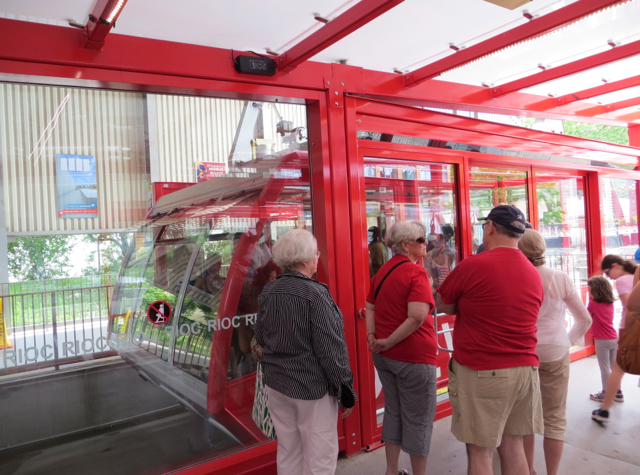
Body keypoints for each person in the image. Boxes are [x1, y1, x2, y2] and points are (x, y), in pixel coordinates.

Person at [436, 205, 544, 475]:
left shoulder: (474, 264)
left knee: (480, 452)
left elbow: (444, 304)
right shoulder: (532, 272)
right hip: (525, 370)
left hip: (483, 370)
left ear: (491, 227)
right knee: (513, 447)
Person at [254, 229, 356, 475]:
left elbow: (260, 336)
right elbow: (331, 350)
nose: (318, 258)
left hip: (277, 385)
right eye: (316, 253)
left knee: (289, 450)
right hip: (312, 388)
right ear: (305, 259)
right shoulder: (316, 294)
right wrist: (345, 389)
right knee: (320, 457)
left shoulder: (269, 291)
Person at [366, 220, 437, 475]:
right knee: (419, 419)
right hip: (414, 357)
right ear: (406, 245)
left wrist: (373, 337)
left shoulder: (382, 271)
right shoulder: (416, 273)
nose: (425, 243)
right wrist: (388, 341)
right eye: (421, 239)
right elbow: (417, 316)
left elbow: (370, 307)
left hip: (385, 358)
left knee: (394, 412)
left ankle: (391, 470)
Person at [518, 229, 592, 475]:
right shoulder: (560, 277)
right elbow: (584, 319)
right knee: (555, 418)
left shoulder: (516, 276)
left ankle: (529, 469)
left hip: (523, 351)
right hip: (555, 352)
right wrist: (566, 341)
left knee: (525, 416)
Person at [592, 255, 638, 422]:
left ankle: (604, 410)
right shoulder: (635, 275)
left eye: (607, 272)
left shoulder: (622, 280)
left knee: (617, 369)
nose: (608, 277)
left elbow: (630, 306)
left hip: (631, 329)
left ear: (616, 266)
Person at [586, 276, 618, 401]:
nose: (589, 292)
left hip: (602, 340)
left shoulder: (593, 304)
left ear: (596, 291)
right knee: (613, 367)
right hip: (613, 337)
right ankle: (616, 392)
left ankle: (606, 393)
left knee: (604, 367)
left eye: (590, 290)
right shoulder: (610, 303)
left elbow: (585, 317)